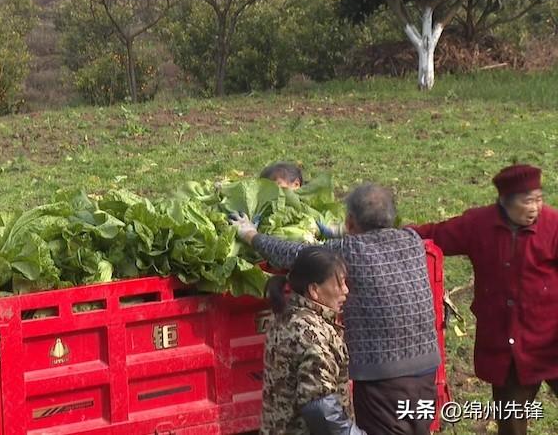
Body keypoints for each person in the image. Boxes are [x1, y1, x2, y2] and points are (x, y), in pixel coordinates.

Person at [231, 183, 441, 435]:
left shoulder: (350, 250)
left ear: (351, 222)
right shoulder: (411, 240)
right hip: (427, 371)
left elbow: (297, 256)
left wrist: (251, 235)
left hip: (382, 379)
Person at [409, 164, 558, 435]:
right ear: (505, 201)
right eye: (527, 201)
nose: (535, 208)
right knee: (511, 424)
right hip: (508, 347)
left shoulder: (553, 226)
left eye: (539, 199)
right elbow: (436, 234)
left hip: (550, 339)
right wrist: (389, 236)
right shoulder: (478, 225)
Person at [262, 246, 365, 434]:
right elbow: (321, 408)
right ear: (314, 290)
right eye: (339, 284)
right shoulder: (312, 334)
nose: (346, 290)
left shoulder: (286, 316)